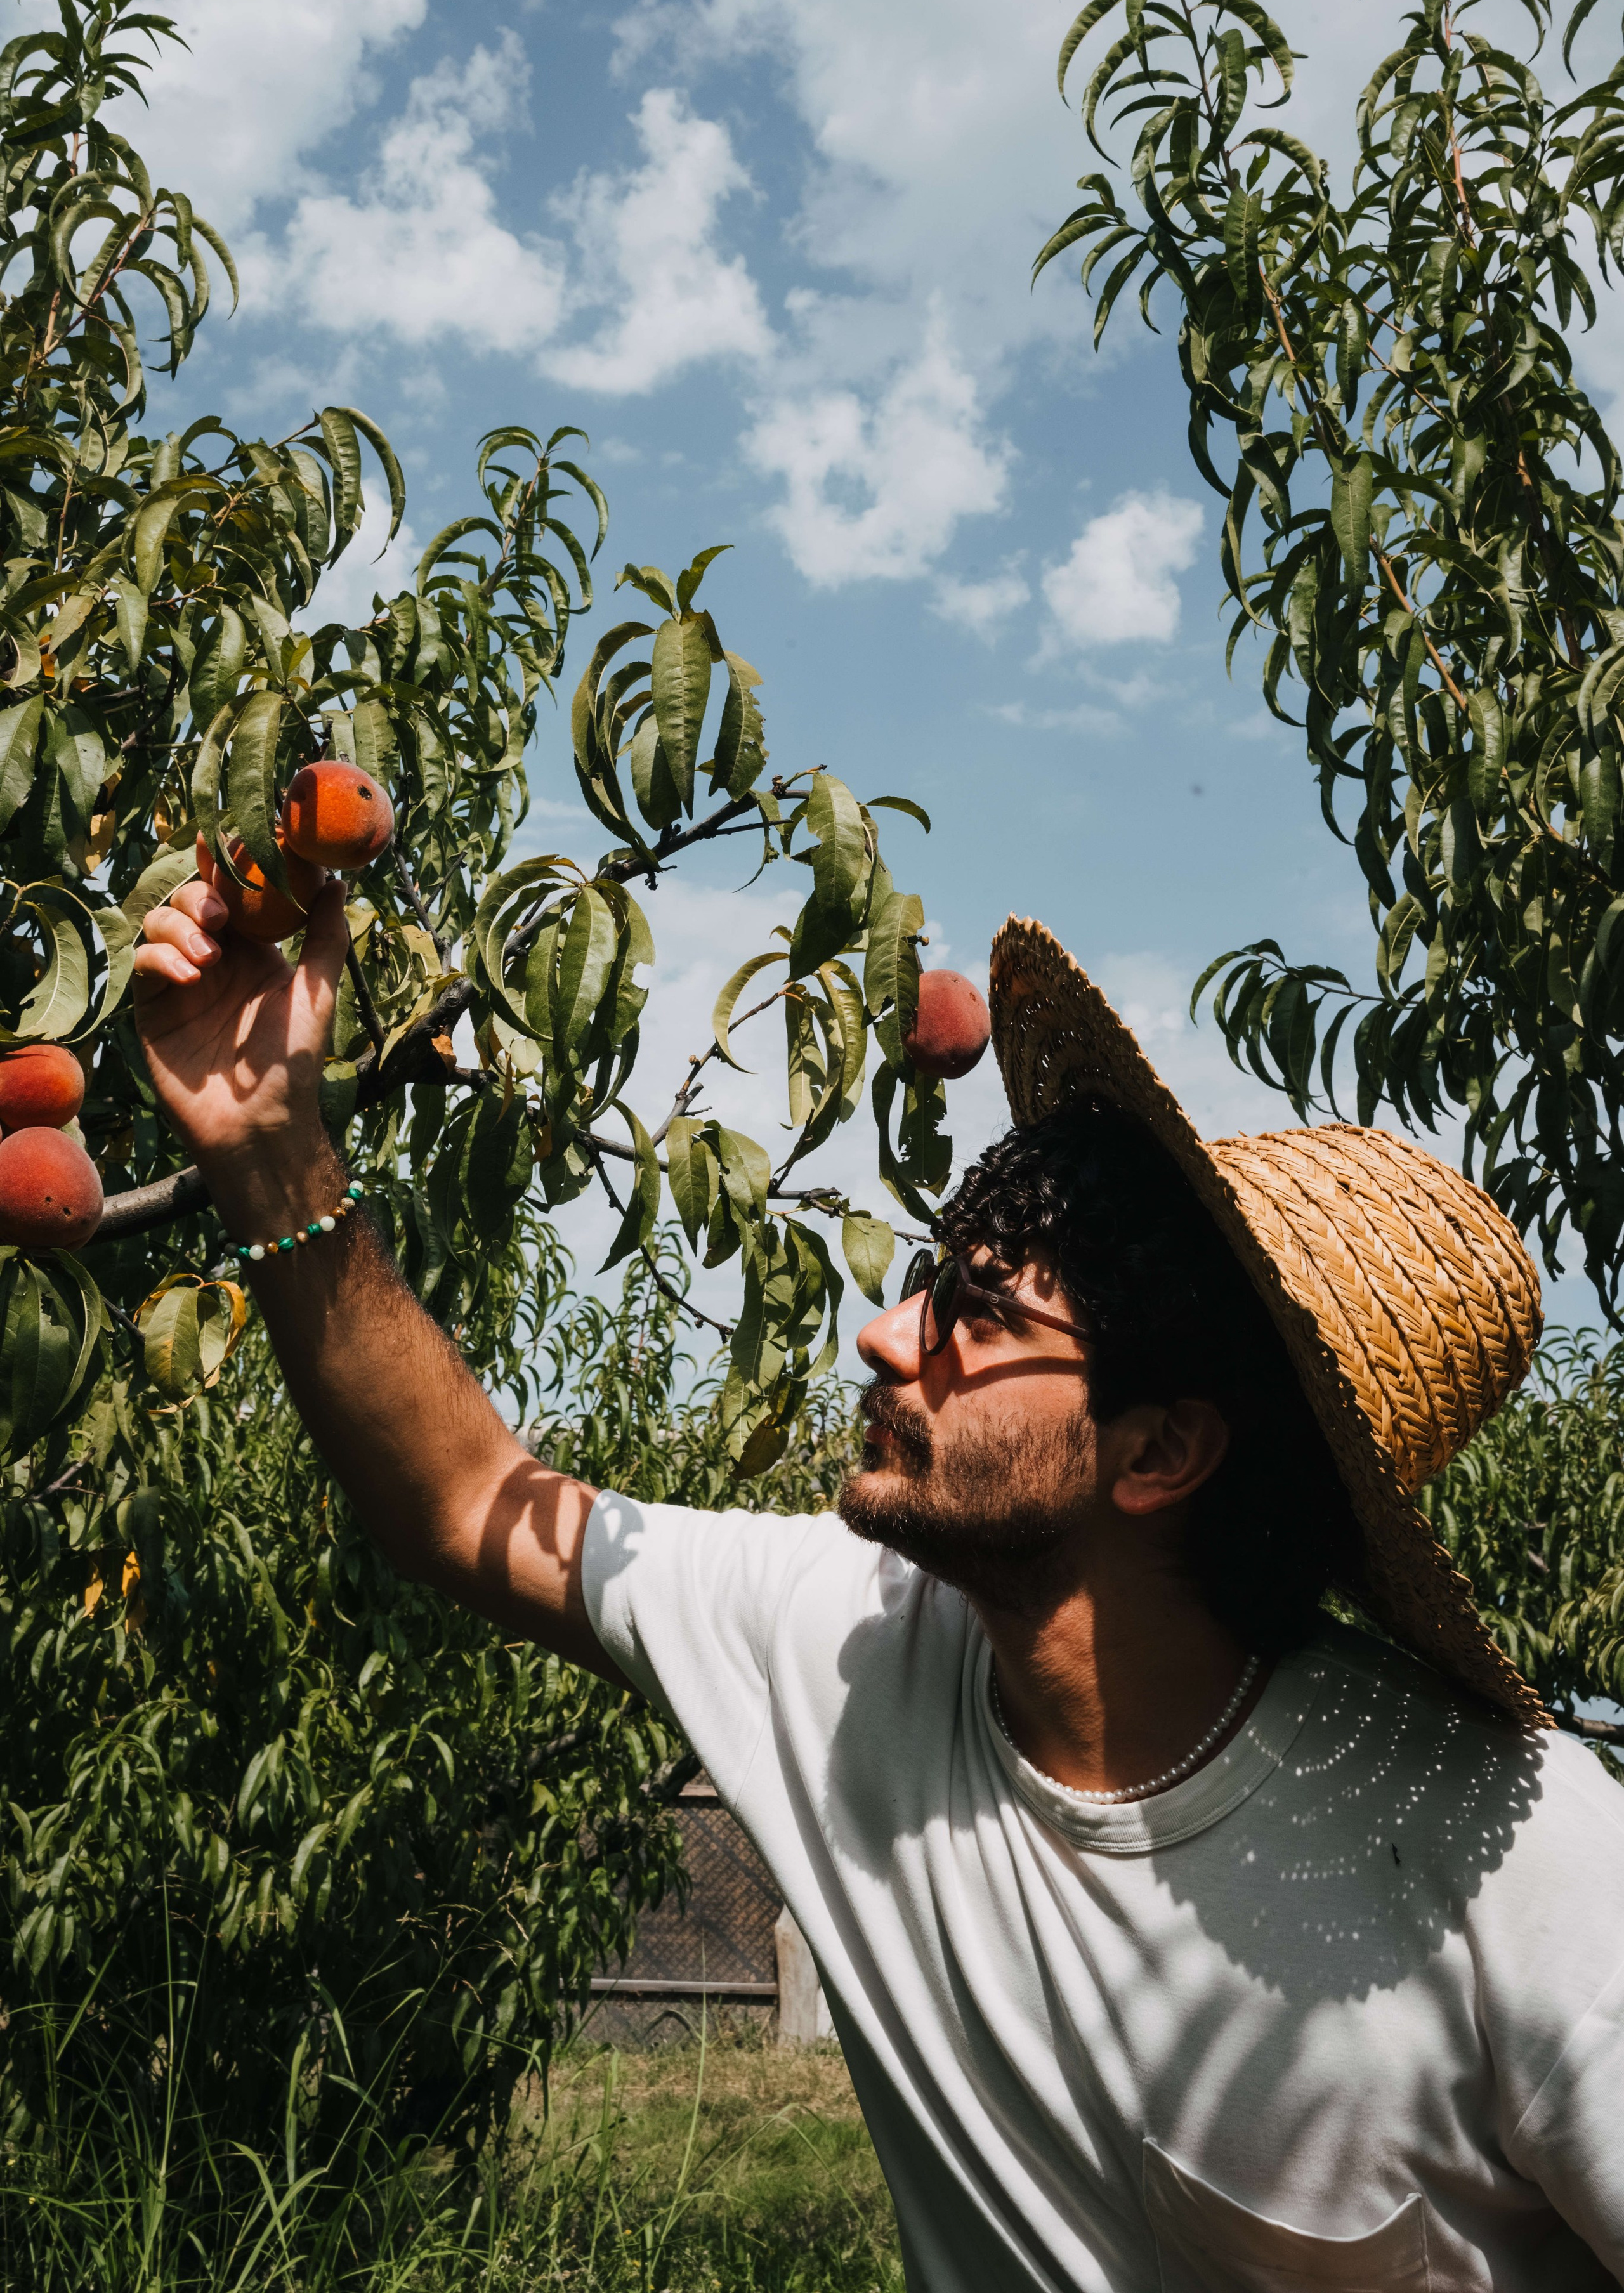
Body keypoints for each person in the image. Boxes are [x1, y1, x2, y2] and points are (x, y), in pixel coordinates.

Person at [134, 881, 1624, 2292]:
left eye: (976, 1315)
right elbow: (465, 1502)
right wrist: (271, 1144)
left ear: (1158, 1449)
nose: (881, 1335)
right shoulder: (848, 1640)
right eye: (929, 1277)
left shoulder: (1513, 1853)